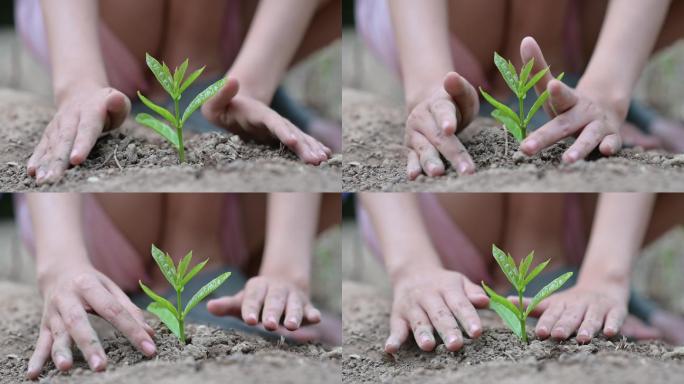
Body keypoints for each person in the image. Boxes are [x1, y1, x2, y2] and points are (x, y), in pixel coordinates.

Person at [15, 0, 341, 185]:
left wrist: (255, 83)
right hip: (88, 26)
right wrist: (78, 83)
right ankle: (206, 74)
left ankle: (247, 80)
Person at [20, 193, 341, 379]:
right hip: (88, 232)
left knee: (331, 179)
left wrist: (286, 269)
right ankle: (191, 266)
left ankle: (260, 287)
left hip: (238, 229)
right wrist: (59, 266)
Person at [355, 0, 684, 179]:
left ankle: (583, 86)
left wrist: (609, 90)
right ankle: (554, 89)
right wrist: (426, 84)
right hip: (430, 24)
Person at [358, 193, 684, 353]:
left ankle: (593, 280)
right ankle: (542, 251)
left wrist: (608, 276)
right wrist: (410, 267)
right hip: (437, 221)